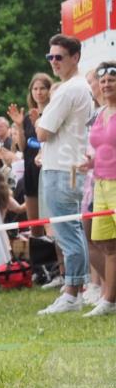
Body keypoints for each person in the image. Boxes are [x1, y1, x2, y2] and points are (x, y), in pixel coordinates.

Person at [35, 34, 94, 314]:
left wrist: (40, 118)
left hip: (62, 168)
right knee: (72, 233)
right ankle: (76, 289)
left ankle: (72, 292)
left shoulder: (70, 89)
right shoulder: (78, 88)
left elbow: (43, 131)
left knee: (68, 234)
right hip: (66, 165)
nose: (54, 62)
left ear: (75, 58)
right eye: (51, 57)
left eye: (59, 57)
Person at [82, 62, 116, 316]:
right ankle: (109, 300)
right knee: (105, 242)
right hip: (100, 184)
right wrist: (90, 163)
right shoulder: (101, 112)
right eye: (102, 81)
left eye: (111, 80)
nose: (106, 85)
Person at [8, 73, 54, 240]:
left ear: (50, 90)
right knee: (35, 225)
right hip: (30, 170)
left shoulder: (53, 113)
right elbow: (22, 146)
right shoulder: (27, 117)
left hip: (48, 170)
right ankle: (39, 264)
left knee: (52, 224)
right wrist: (19, 126)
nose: (39, 92)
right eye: (35, 88)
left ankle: (58, 264)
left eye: (42, 88)